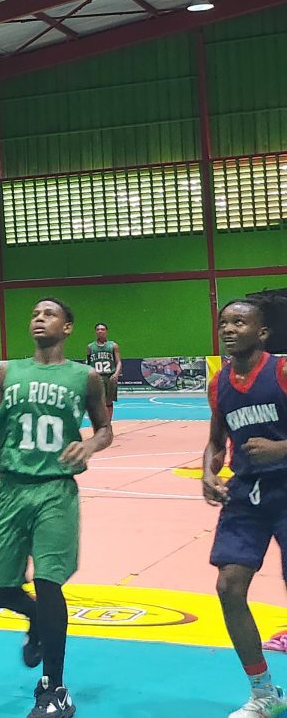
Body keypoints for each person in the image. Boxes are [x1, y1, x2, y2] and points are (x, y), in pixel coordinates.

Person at [0, 298, 112, 718]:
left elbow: (105, 430)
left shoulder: (85, 377)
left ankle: (53, 688)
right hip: (9, 489)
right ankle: (35, 620)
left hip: (54, 489)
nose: (39, 318)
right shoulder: (8, 372)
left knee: (49, 583)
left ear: (67, 327)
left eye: (49, 314)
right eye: (34, 313)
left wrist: (89, 444)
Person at [202, 298, 287, 718]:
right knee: (228, 587)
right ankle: (264, 692)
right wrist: (208, 471)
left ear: (263, 332)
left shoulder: (283, 372)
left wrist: (282, 448)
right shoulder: (218, 383)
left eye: (240, 322)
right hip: (247, 494)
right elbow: (218, 441)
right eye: (224, 322)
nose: (229, 328)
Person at [87, 323, 122, 419]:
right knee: (97, 402)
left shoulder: (113, 345)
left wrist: (116, 374)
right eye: (98, 329)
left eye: (102, 329)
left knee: (108, 402)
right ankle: (101, 424)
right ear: (95, 332)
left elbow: (118, 362)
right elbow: (88, 364)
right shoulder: (90, 347)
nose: (100, 331)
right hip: (96, 378)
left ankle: (108, 425)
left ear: (106, 331)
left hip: (109, 377)